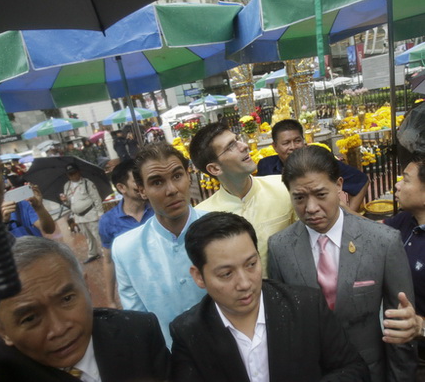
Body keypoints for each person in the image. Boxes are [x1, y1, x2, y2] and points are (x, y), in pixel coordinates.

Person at [0, 71, 170, 382]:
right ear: (0, 329)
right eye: (29, 317)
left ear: (84, 286)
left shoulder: (139, 331)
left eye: (67, 298)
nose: (59, 329)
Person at [267, 145, 417, 381]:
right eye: (299, 197)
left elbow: (400, 326)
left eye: (320, 194)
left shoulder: (382, 242)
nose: (311, 208)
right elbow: (283, 324)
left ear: (338, 185)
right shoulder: (280, 247)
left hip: (370, 372)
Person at [170, 211, 370, 382]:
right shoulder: (189, 332)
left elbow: (353, 370)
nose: (245, 283)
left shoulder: (306, 307)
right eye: (226, 274)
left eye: (251, 265)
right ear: (199, 277)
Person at [111, 143, 207, 346]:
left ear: (188, 176)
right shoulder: (127, 250)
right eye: (157, 182)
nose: (172, 190)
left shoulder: (223, 230)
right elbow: (139, 322)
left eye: (177, 176)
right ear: (141, 190)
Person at [189, 122, 296, 277]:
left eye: (237, 139)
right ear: (214, 169)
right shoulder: (202, 216)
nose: (244, 146)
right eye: (231, 146)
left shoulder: (283, 187)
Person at [256, 119, 369, 211]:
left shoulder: (320, 161)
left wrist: (350, 215)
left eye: (297, 141)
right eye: (286, 143)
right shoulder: (266, 166)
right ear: (275, 147)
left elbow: (361, 180)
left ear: (304, 142)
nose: (293, 147)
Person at [384, 153, 425, 372]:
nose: (397, 185)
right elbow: (373, 229)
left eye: (406, 179)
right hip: (402, 353)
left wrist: (420, 327)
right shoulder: (406, 220)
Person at [98, 159, 154, 307]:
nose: (143, 185)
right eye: (137, 181)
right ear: (121, 187)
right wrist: (110, 300)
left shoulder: (158, 210)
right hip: (136, 293)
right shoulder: (108, 222)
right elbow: (109, 261)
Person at [60, 163, 104, 264]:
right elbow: (68, 203)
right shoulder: (67, 186)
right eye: (70, 174)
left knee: (98, 235)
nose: (73, 176)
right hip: (78, 216)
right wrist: (65, 200)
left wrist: (100, 213)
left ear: (79, 172)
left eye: (74, 173)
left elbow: (96, 198)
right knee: (88, 236)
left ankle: (105, 252)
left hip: (90, 214)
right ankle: (93, 254)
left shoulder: (87, 183)